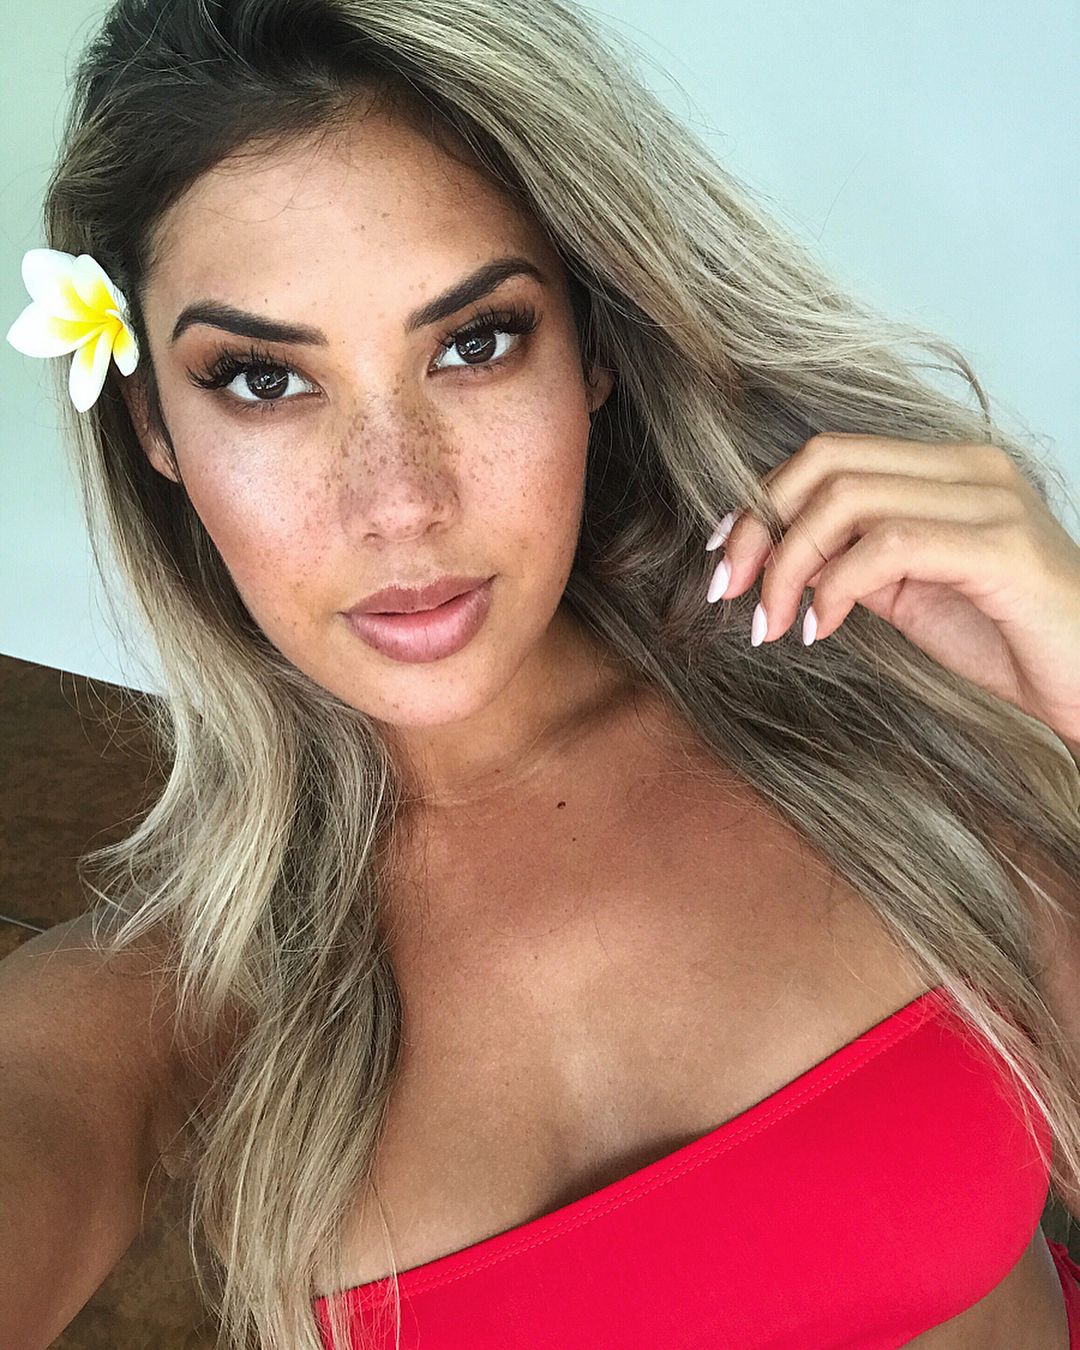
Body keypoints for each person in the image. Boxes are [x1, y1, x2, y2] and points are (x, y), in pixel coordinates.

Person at [3, 2, 1080, 1348]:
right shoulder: (168, 1000)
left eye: (475, 341)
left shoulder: (863, 685)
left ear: (594, 349)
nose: (400, 503)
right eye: (265, 380)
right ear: (154, 424)